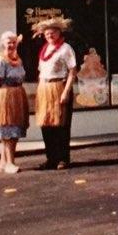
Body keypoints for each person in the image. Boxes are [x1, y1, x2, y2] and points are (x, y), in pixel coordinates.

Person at [32, 17, 77, 170]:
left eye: (52, 33)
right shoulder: (44, 49)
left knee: (61, 125)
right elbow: (41, 72)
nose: (50, 35)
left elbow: (72, 71)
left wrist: (66, 92)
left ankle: (63, 159)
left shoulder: (66, 48)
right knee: (46, 125)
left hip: (59, 86)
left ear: (59, 32)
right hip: (45, 88)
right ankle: (51, 158)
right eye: (47, 33)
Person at [0, 31, 29, 174]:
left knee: (14, 130)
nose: (11, 44)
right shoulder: (1, 60)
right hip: (6, 96)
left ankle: (3, 162)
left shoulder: (18, 60)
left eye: (13, 42)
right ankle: (10, 163)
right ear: (2, 43)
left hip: (17, 95)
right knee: (7, 130)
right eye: (8, 42)